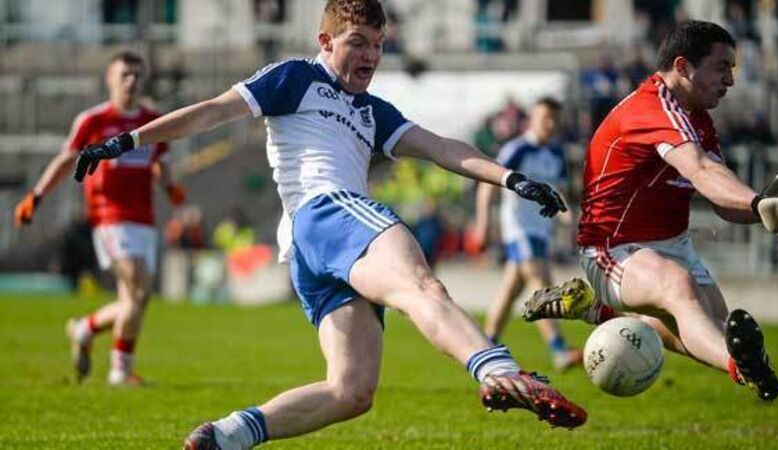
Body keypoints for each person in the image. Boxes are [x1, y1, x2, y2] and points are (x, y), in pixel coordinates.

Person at [72, 1, 585, 447]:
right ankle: (500, 370)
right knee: (419, 284)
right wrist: (128, 140)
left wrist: (510, 178)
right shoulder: (296, 78)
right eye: (357, 42)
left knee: (351, 390)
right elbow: (211, 112)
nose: (370, 56)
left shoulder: (372, 111)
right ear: (325, 41)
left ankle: (227, 435)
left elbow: (440, 147)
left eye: (378, 45)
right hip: (329, 211)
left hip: (311, 249)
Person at [522, 21, 778, 402]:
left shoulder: (698, 118)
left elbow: (721, 200)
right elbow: (700, 170)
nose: (730, 80)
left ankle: (597, 310)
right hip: (612, 248)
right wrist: (756, 202)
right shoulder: (651, 108)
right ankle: (744, 368)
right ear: (683, 66)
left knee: (711, 325)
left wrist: (762, 208)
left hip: (673, 244)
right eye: (722, 67)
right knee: (678, 288)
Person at [14, 51, 187, 386]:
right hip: (110, 217)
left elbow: (160, 162)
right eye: (124, 75)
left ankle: (85, 328)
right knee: (138, 289)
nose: (131, 81)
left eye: (137, 75)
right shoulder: (93, 121)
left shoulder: (152, 120)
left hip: (144, 219)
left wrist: (171, 189)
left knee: (133, 300)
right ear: (109, 79)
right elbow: (66, 160)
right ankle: (120, 371)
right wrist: (36, 195)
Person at [473, 97, 581, 371]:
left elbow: (560, 196)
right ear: (532, 119)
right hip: (519, 230)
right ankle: (558, 349)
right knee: (539, 281)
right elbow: (488, 184)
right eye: (545, 117)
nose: (550, 123)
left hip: (541, 232)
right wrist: (483, 223)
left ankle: (484, 346)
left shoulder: (555, 154)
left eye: (554, 118)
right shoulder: (517, 149)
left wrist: (571, 221)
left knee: (510, 291)